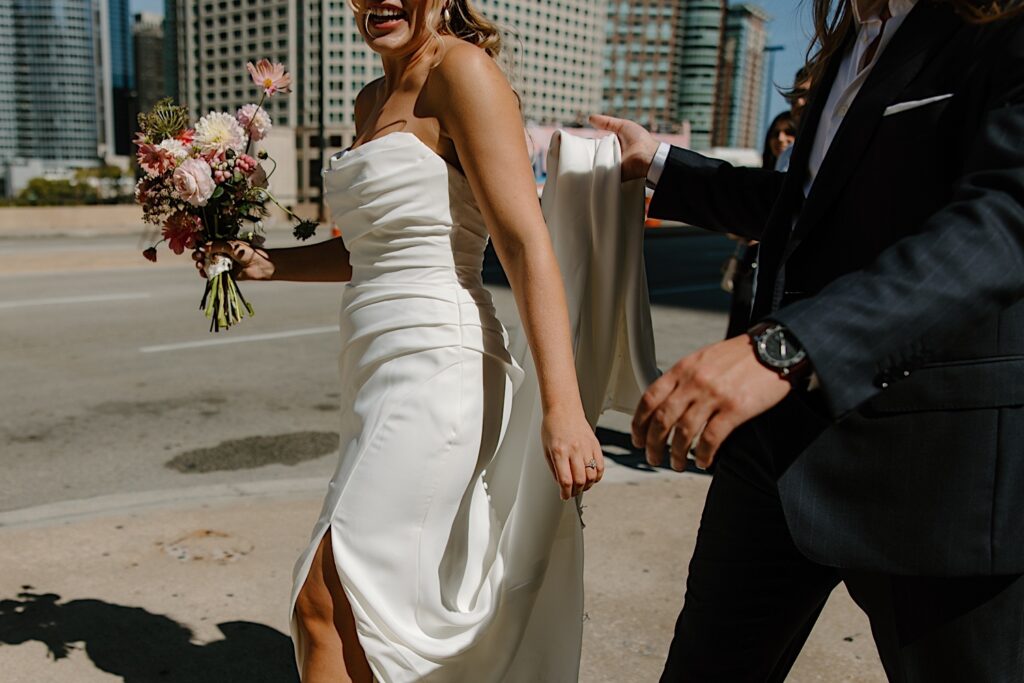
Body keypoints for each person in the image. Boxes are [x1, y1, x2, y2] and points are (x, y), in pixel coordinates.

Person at [593, 0, 1024, 679]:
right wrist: (661, 163)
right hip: (775, 453)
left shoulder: (1002, 22)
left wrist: (786, 348)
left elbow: (1003, 219)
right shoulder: (858, 34)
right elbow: (811, 204)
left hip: (938, 463)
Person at [195, 1, 604, 680]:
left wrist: (563, 407)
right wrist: (266, 263)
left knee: (325, 596)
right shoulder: (368, 101)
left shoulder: (463, 72)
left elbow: (527, 244)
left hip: (439, 365)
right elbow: (368, 251)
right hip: (373, 368)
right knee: (358, 615)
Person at [723, 111, 796, 339]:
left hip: (776, 264)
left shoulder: (797, 166)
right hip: (751, 263)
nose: (781, 139)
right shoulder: (766, 171)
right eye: (776, 133)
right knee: (741, 325)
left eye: (789, 132)